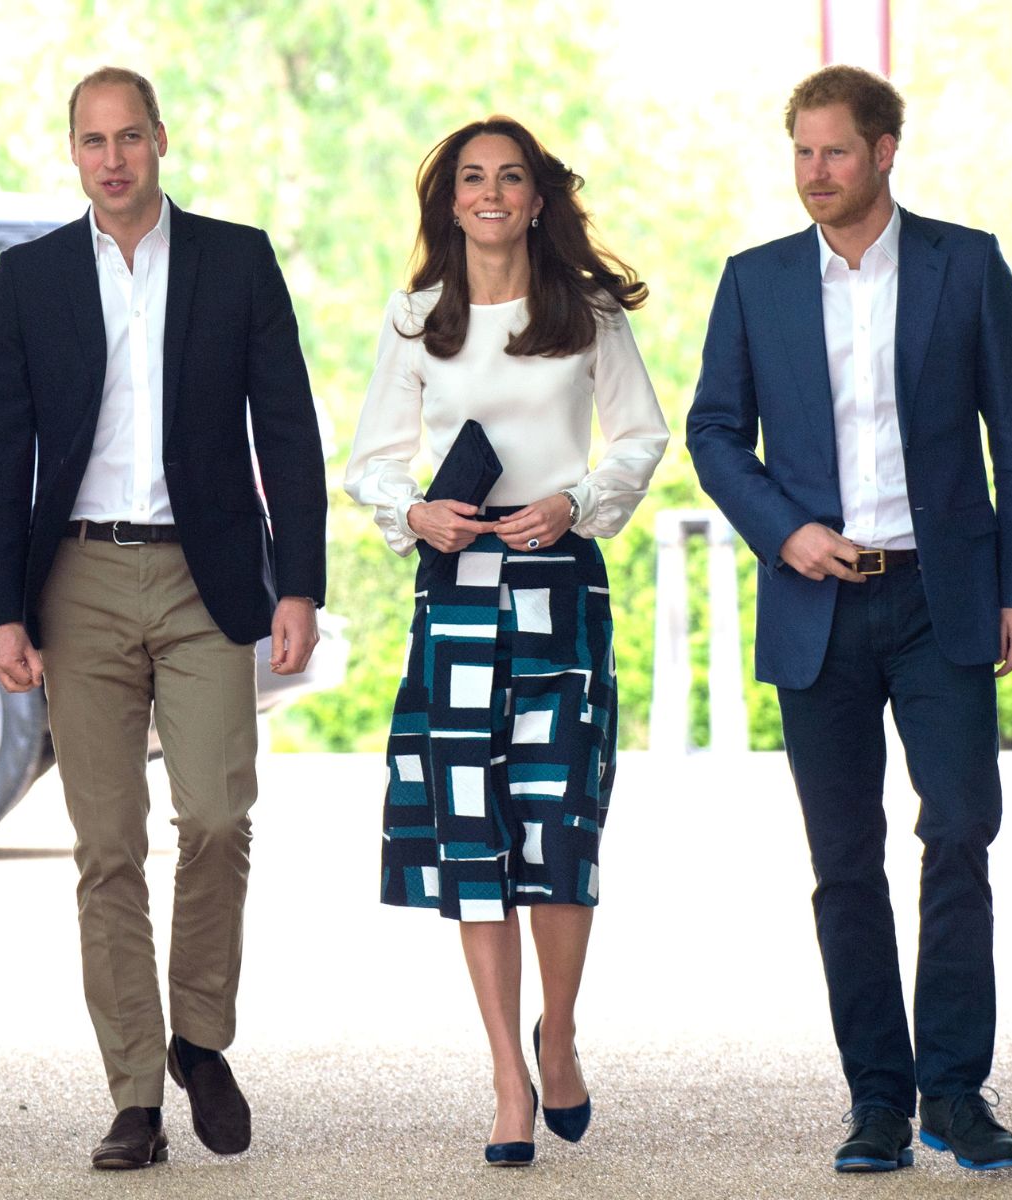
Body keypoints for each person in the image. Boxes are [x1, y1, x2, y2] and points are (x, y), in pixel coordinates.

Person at [686, 65, 1012, 1175]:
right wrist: (784, 530)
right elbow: (713, 434)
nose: (814, 174)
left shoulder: (965, 264)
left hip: (942, 595)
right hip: (819, 605)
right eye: (801, 153)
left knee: (958, 834)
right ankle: (879, 1101)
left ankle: (955, 1089)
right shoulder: (755, 282)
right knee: (843, 861)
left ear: (885, 150)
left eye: (834, 152)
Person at [0, 67, 327, 1169]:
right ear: (72, 152)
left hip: (208, 576)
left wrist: (299, 584)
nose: (113, 159)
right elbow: (0, 451)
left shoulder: (236, 259)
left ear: (161, 141)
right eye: (93, 141)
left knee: (219, 820)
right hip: (74, 582)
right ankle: (135, 1093)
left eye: (130, 137)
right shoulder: (28, 279)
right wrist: (2, 613)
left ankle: (199, 1037)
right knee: (107, 847)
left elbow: (289, 431)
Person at [345, 116, 668, 1166]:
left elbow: (645, 436)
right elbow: (370, 463)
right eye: (470, 179)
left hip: (559, 591)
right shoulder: (415, 319)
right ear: (450, 202)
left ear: (537, 198)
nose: (489, 193)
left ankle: (559, 1036)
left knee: (559, 832)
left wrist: (576, 501)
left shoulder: (591, 314)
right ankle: (505, 1079)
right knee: (473, 833)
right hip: (458, 595)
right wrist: (415, 515)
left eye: (509, 177)